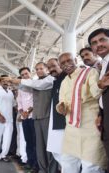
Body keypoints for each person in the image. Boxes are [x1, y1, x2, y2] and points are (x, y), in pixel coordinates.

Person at [56, 52, 107, 173]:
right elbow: (61, 102)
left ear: (75, 60)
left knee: (91, 165)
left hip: (90, 126)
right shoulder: (63, 82)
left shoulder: (90, 72)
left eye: (69, 60)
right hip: (71, 128)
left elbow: (96, 93)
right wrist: (61, 108)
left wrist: (100, 85)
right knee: (68, 163)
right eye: (62, 63)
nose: (66, 64)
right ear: (60, 66)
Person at [88, 28, 109, 172]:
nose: (99, 44)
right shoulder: (103, 65)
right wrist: (101, 114)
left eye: (102, 40)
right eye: (94, 43)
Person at [16, 67, 38, 171]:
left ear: (30, 73)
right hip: (25, 118)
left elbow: (36, 100)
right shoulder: (21, 87)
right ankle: (30, 162)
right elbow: (19, 101)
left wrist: (27, 112)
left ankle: (36, 165)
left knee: (35, 142)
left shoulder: (36, 84)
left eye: (26, 73)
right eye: (23, 75)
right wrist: (21, 112)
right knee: (28, 140)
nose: (25, 76)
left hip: (34, 117)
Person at [0, 75, 16, 163]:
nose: (6, 82)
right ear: (0, 82)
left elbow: (13, 105)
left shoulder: (10, 92)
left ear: (9, 82)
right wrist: (0, 116)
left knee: (7, 138)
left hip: (9, 120)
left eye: (7, 81)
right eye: (3, 81)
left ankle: (3, 154)